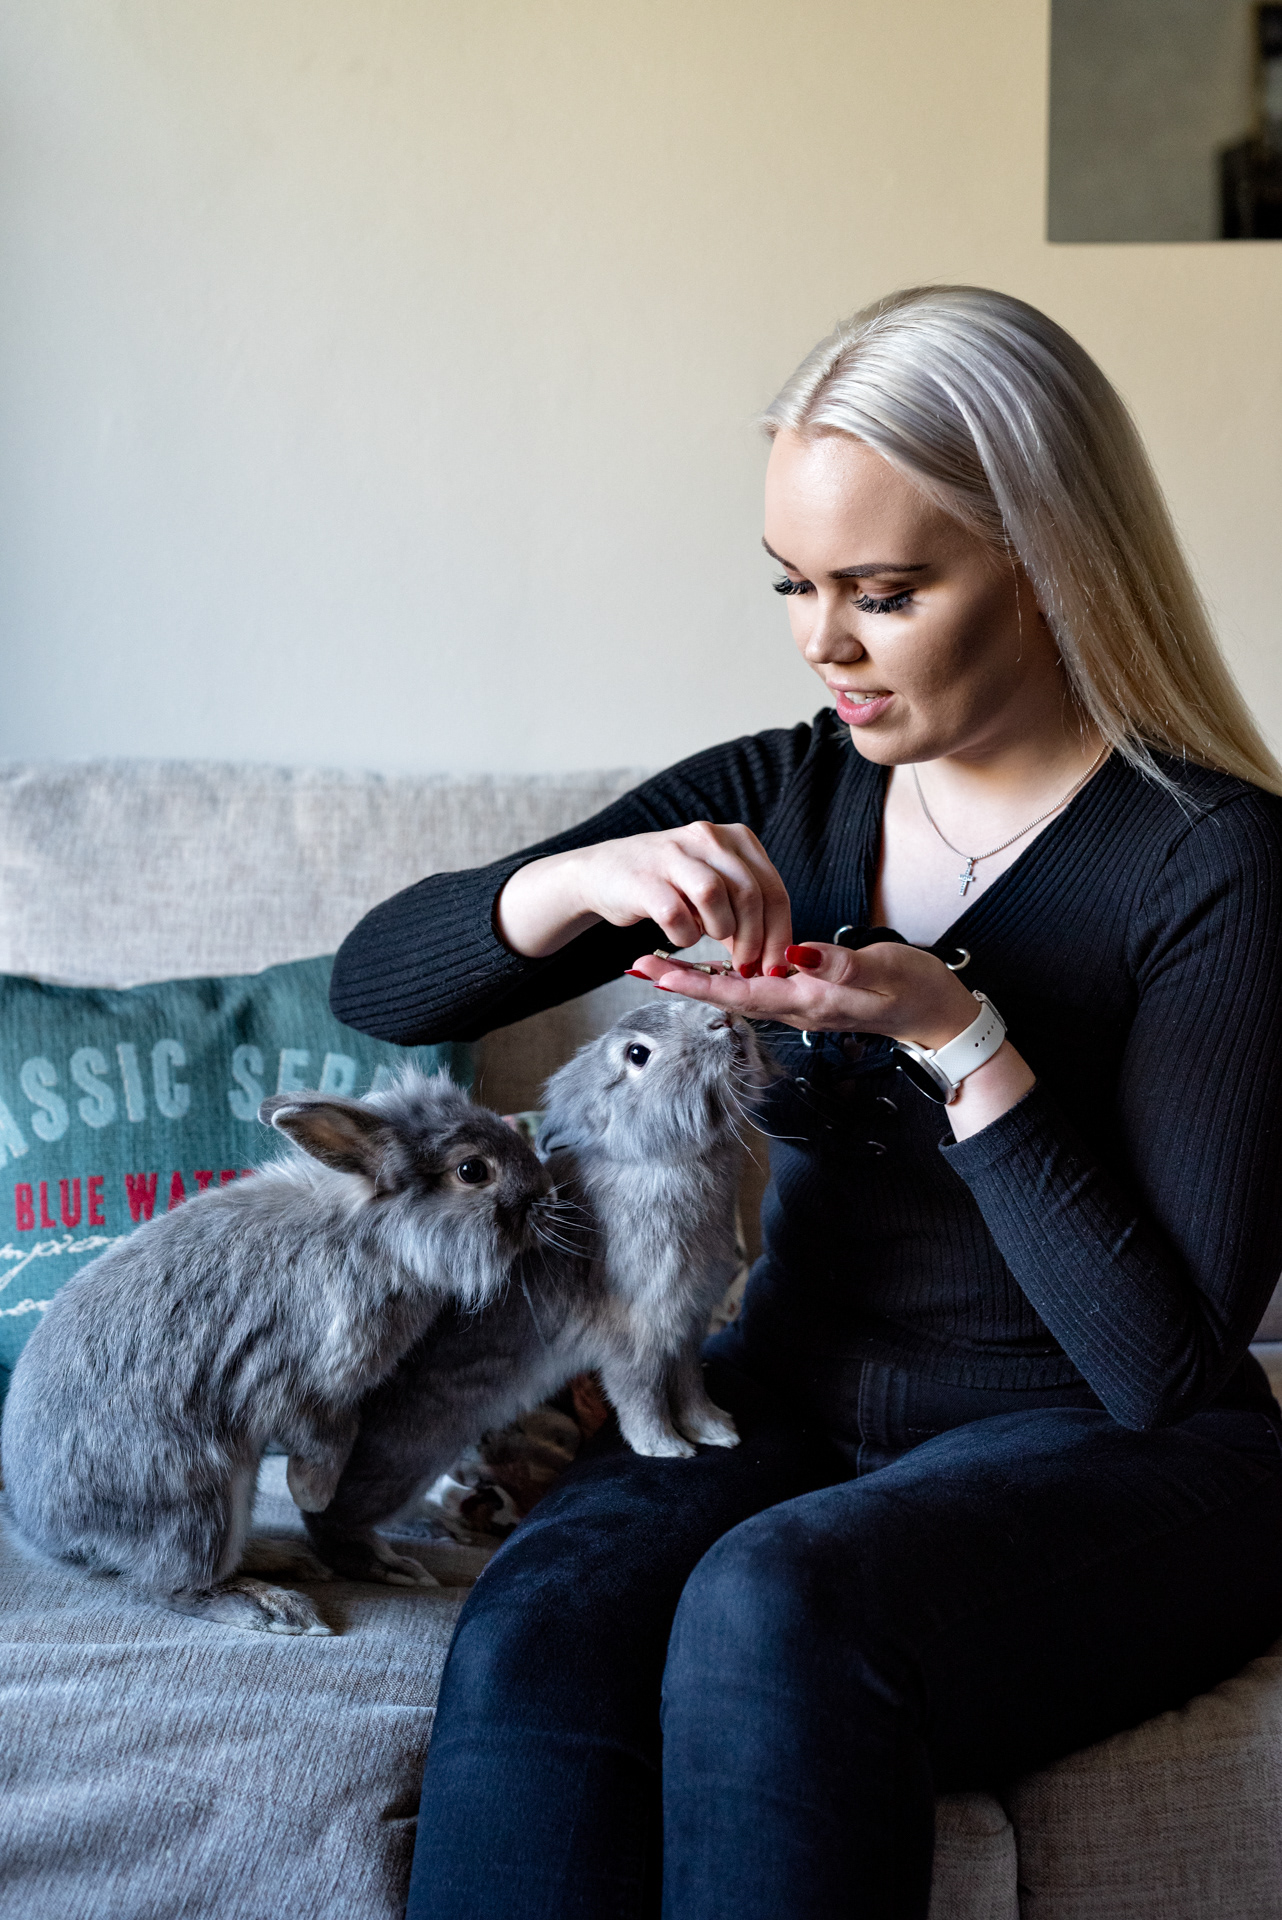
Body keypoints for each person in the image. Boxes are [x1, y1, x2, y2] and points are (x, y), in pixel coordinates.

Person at [330, 286, 1282, 1920]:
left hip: (1124, 1459)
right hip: (789, 1402)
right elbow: (378, 986)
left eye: (882, 593)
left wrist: (960, 1041)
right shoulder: (788, 789)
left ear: (1049, 564)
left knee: (775, 1605)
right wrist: (570, 882)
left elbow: (1159, 1370)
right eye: (793, 582)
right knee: (546, 1625)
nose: (821, 641)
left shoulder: (1215, 864)